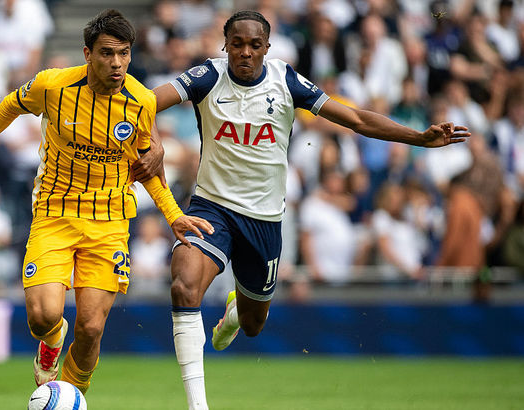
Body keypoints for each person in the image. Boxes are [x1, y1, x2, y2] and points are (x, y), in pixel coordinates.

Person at [150, 10, 470, 410]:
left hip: (264, 221)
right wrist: (153, 143)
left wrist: (418, 138)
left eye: (254, 45)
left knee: (252, 324)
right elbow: (145, 103)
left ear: (267, 48)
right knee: (183, 286)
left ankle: (235, 313)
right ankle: (198, 405)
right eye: (237, 44)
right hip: (212, 209)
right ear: (225, 45)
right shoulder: (207, 77)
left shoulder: (285, 81)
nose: (245, 52)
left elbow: (355, 119)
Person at [0, 9, 212, 393]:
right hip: (55, 212)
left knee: (90, 327)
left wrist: (173, 215)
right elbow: (8, 107)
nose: (117, 63)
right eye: (107, 53)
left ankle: (69, 397)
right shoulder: (53, 86)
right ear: (88, 54)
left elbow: (146, 167)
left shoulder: (141, 101)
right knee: (43, 316)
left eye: (124, 53)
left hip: (109, 221)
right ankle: (52, 340)